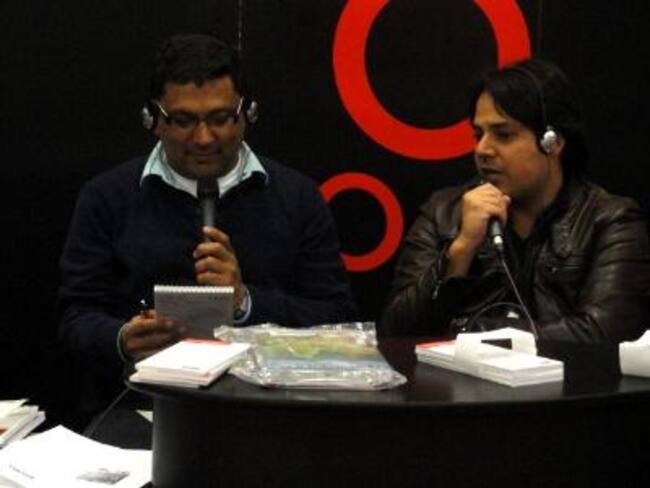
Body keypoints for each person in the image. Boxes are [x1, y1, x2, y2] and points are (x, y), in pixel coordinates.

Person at [58, 33, 358, 405]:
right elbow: (75, 317)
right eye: (183, 120)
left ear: (247, 115)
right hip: (142, 405)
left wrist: (246, 303)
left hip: (269, 408)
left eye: (220, 118)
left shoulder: (297, 197)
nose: (203, 138)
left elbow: (336, 317)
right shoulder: (107, 197)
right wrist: (121, 338)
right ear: (153, 119)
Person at [381, 58, 650, 342]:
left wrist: (478, 335)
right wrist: (461, 249)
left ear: (552, 141)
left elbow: (605, 334)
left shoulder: (610, 221)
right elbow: (394, 334)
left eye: (503, 135)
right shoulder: (443, 213)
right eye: (478, 134)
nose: (482, 149)